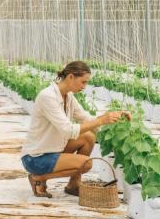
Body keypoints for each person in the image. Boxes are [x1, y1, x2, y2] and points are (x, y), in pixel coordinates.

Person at [20, 61, 131, 198]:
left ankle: (73, 184)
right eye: (83, 82)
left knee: (89, 137)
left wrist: (115, 118)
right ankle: (38, 178)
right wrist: (101, 120)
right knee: (86, 164)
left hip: (53, 149)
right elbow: (68, 131)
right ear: (71, 77)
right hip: (36, 158)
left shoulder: (68, 96)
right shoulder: (48, 97)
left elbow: (85, 119)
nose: (85, 86)